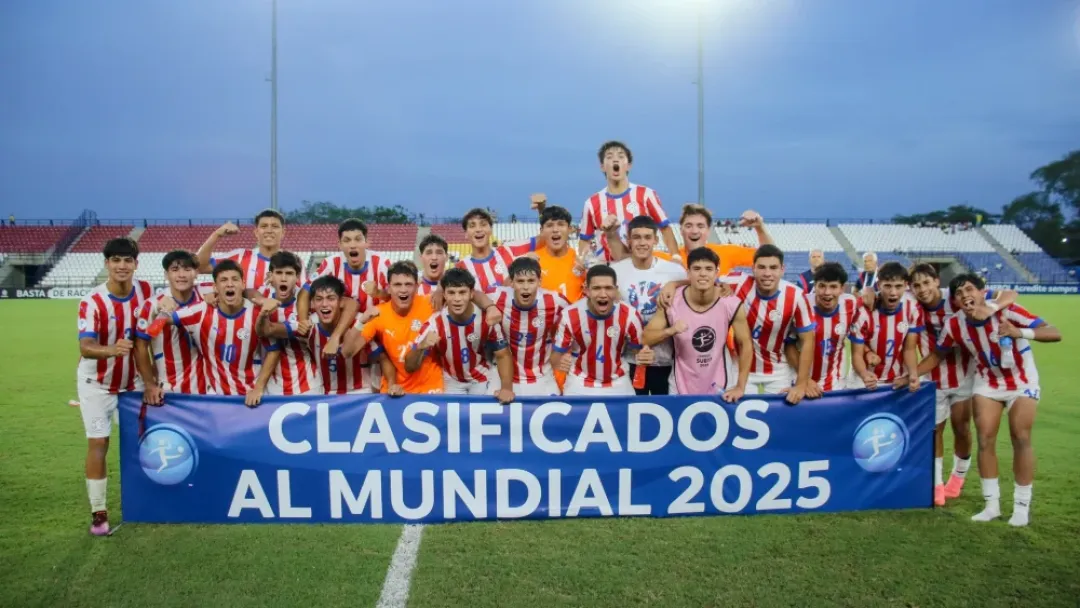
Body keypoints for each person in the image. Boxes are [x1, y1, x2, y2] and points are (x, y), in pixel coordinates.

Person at [908, 274, 1060, 526]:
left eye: (970, 289)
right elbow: (938, 355)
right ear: (955, 301)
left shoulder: (1007, 311)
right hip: (988, 382)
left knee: (1020, 436)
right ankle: (992, 506)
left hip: (1022, 381)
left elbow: (1054, 332)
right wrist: (911, 376)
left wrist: (1019, 332)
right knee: (985, 439)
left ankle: (1021, 508)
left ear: (982, 292)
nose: (965, 295)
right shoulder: (955, 324)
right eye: (959, 293)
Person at [908, 263, 1017, 505]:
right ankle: (936, 484)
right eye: (916, 285)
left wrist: (991, 308)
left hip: (965, 376)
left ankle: (957, 479)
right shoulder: (911, 302)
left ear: (937, 281)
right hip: (931, 378)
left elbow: (1009, 294)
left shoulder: (956, 295)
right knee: (934, 432)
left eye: (926, 283)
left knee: (961, 428)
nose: (922, 289)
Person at [76, 237, 154, 536]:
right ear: (107, 263)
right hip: (96, 384)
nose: (122, 266)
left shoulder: (146, 291)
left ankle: (149, 499)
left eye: (127, 260)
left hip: (133, 383)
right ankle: (99, 513)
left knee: (146, 439)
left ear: (136, 263)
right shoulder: (92, 301)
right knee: (99, 442)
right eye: (116, 260)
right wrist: (112, 350)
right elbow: (85, 346)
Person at [155, 260, 280, 403]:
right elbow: (161, 322)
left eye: (235, 279)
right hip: (216, 397)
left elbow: (274, 350)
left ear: (243, 284)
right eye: (224, 280)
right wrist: (162, 307)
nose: (230, 284)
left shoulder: (257, 313)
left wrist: (258, 388)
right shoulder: (201, 311)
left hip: (251, 395)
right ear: (215, 287)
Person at [643, 247, 750, 400]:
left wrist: (740, 386)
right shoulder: (671, 300)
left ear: (717, 273)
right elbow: (646, 338)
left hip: (722, 385)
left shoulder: (730, 303)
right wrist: (671, 330)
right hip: (679, 386)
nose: (703, 273)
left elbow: (745, 344)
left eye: (708, 269)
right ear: (688, 273)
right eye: (697, 269)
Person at [258, 275, 383, 394]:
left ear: (341, 302)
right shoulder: (309, 325)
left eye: (331, 298)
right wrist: (263, 313)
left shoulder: (359, 322)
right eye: (319, 299)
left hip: (360, 392)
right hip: (325, 394)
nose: (324, 304)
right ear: (312, 303)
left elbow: (382, 356)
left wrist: (390, 383)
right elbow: (266, 330)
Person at [722, 245, 817, 403]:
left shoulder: (796, 296)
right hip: (740, 369)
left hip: (778, 371)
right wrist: (718, 285)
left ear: (782, 269)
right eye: (761, 267)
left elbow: (808, 340)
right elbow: (704, 278)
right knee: (739, 411)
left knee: (782, 413)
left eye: (773, 268)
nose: (767, 273)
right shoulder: (737, 283)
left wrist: (802, 383)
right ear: (753, 268)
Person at [408, 269, 515, 402]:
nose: (457, 299)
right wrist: (420, 347)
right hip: (451, 381)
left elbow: (503, 355)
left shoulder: (486, 319)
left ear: (471, 294)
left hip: (482, 378)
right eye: (451, 293)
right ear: (444, 294)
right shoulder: (434, 324)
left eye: (462, 292)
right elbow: (410, 367)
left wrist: (506, 388)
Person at [611, 215, 688, 395]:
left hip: (665, 360)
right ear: (629, 241)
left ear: (656, 240)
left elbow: (694, 288)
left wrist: (675, 283)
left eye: (647, 237)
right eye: (636, 237)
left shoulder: (674, 271)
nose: (642, 243)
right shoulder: (616, 271)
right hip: (629, 360)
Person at [552, 265, 647, 396]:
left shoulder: (630, 315)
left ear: (616, 290)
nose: (603, 295)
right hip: (579, 382)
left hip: (618, 382)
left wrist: (645, 355)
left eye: (608, 288)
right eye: (596, 288)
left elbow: (639, 352)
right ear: (586, 290)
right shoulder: (570, 315)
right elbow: (555, 358)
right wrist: (560, 362)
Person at [352, 261, 444, 394]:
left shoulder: (430, 303)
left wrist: (441, 286)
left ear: (417, 286)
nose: (403, 289)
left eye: (408, 284)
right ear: (389, 288)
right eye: (397, 284)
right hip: (394, 388)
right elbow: (349, 351)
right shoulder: (378, 314)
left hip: (430, 387)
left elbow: (461, 288)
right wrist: (360, 322)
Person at [134, 250, 211, 401]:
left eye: (187, 269)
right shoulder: (152, 305)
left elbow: (236, 288)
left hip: (208, 387)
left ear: (196, 273)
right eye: (175, 270)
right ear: (166, 274)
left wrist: (215, 296)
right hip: (170, 387)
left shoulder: (207, 292)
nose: (181, 275)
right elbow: (140, 346)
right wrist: (149, 385)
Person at [491, 257, 568, 396]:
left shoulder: (555, 301)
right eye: (520, 281)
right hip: (501, 377)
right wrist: (489, 307)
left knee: (556, 408)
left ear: (540, 281)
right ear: (511, 282)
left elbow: (577, 318)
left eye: (531, 281)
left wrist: (569, 354)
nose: (526, 287)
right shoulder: (496, 297)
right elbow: (474, 295)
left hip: (542, 377)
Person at [783, 262, 859, 394]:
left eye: (833, 287)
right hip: (800, 381)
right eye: (822, 286)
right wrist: (805, 379)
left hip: (835, 383)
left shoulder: (851, 304)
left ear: (842, 288)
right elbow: (789, 346)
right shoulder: (801, 304)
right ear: (815, 286)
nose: (827, 292)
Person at [848, 262, 923, 392]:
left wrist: (913, 374)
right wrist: (864, 375)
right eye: (887, 286)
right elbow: (856, 354)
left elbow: (909, 349)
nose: (893, 292)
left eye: (898, 286)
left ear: (906, 285)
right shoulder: (863, 311)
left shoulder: (912, 308)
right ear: (878, 285)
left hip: (896, 378)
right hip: (862, 379)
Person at [195, 209, 304, 294]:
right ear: (256, 232)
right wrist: (216, 235)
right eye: (264, 226)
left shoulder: (295, 262)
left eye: (275, 226)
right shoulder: (239, 257)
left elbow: (302, 295)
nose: (269, 231)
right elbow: (199, 267)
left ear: (283, 232)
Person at [260, 251, 323, 396]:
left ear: (297, 277)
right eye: (278, 273)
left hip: (309, 383)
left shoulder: (309, 302)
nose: (283, 278)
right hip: (272, 385)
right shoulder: (260, 299)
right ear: (270, 275)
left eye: (289, 273)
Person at [652, 204, 774, 275]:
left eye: (700, 226)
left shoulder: (724, 253)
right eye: (688, 226)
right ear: (681, 230)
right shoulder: (668, 259)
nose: (694, 231)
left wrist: (759, 228)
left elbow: (770, 256)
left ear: (708, 230)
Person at [456, 207, 539, 292]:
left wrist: (541, 209)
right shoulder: (461, 268)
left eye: (483, 224)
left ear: (491, 229)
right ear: (466, 233)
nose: (478, 229)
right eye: (472, 226)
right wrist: (520, 268)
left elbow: (543, 238)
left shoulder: (508, 250)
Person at [533, 205, 586, 303]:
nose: (555, 230)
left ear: (569, 229)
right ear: (542, 231)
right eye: (549, 225)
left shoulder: (582, 262)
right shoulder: (533, 262)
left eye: (561, 224)